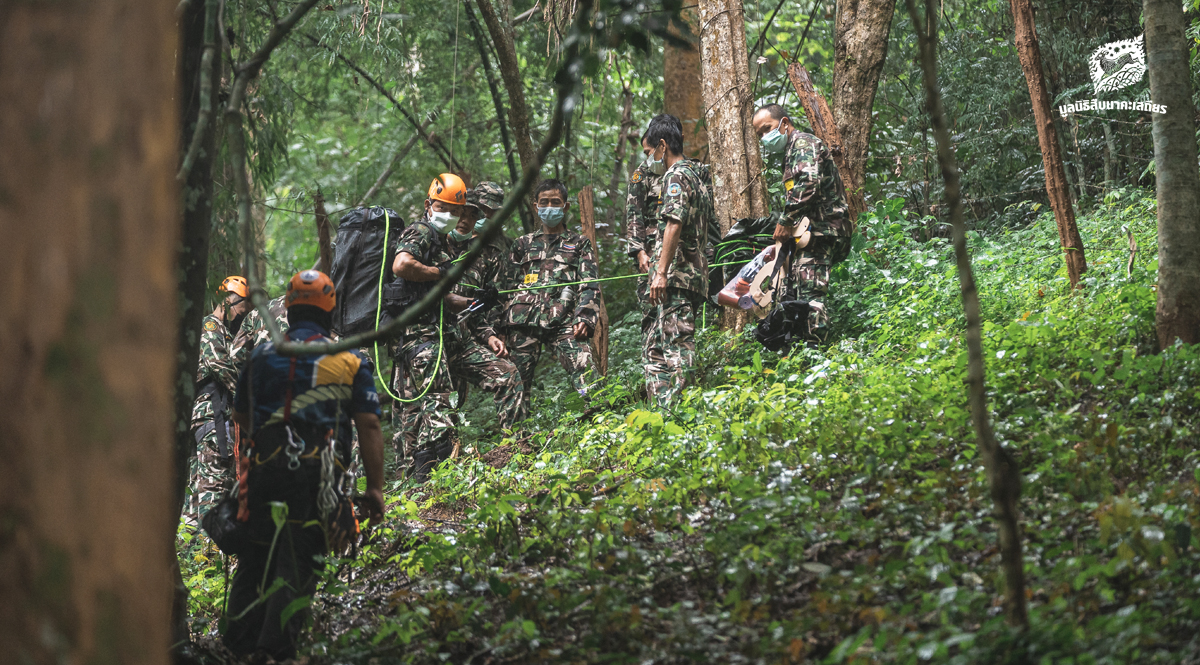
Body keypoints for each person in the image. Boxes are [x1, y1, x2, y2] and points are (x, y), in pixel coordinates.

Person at [225, 270, 385, 661]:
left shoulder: (261, 356)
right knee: (298, 560)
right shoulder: (348, 358)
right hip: (318, 476)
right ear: (330, 309)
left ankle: (236, 645)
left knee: (256, 554)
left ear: (289, 309)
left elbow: (241, 414)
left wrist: (270, 440)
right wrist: (376, 489)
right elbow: (369, 423)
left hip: (263, 470)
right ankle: (272, 651)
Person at [389, 174, 522, 481]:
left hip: (453, 338)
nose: (460, 219)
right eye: (451, 210)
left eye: (469, 214)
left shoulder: (483, 253)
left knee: (503, 375)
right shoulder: (426, 234)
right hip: (421, 341)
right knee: (418, 413)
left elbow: (445, 298)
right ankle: (419, 483)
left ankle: (512, 450)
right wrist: (440, 272)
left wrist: (478, 305)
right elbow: (403, 267)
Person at [750, 103, 851, 345]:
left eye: (768, 129)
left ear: (784, 123)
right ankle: (803, 357)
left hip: (823, 231)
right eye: (760, 134)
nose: (765, 137)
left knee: (809, 297)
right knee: (796, 295)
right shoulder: (792, 151)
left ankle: (818, 358)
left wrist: (785, 221)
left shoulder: (803, 143)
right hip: (810, 234)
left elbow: (808, 183)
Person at [499, 179, 600, 398]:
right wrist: (500, 329)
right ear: (535, 206)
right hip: (523, 322)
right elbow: (506, 288)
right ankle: (515, 432)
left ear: (566, 206)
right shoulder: (522, 245)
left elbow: (589, 283)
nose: (549, 207)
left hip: (563, 320)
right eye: (544, 202)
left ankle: (601, 420)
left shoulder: (579, 243)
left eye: (555, 202)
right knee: (513, 382)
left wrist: (585, 317)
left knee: (585, 369)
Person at [642, 114, 714, 406]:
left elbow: (674, 223)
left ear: (662, 145)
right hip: (689, 276)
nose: (650, 160)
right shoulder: (697, 175)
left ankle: (685, 413)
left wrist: (660, 273)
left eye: (649, 153)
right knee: (655, 349)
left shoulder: (676, 176)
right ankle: (662, 412)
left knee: (677, 348)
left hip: (677, 278)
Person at [446, 182, 529, 429]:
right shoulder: (435, 243)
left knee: (508, 373)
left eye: (479, 215)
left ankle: (516, 446)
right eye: (469, 212)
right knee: (442, 405)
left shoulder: (491, 251)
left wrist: (491, 334)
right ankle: (442, 461)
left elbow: (482, 304)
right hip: (429, 340)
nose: (470, 220)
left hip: (465, 337)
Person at [190, 276, 251, 521]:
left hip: (213, 419)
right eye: (240, 310)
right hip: (211, 417)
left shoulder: (225, 333)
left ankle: (193, 550)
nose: (241, 317)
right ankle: (206, 547)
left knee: (200, 493)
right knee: (212, 492)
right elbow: (219, 364)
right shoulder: (211, 326)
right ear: (227, 302)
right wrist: (245, 398)